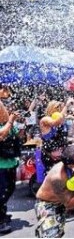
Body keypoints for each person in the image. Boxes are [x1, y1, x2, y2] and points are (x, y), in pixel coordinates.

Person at [0, 100, 19, 234]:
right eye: (2, 108)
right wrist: (11, 121)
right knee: (1, 193)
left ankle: (3, 213)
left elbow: (18, 135)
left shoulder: (6, 123)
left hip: (10, 162)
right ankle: (1, 221)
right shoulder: (7, 124)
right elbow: (1, 135)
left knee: (9, 189)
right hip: (0, 165)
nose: (5, 110)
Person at [40, 99, 74, 172]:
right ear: (52, 109)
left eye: (61, 109)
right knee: (53, 177)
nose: (62, 112)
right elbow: (55, 122)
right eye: (59, 109)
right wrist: (66, 106)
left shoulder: (62, 121)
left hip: (61, 155)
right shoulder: (45, 119)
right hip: (50, 156)